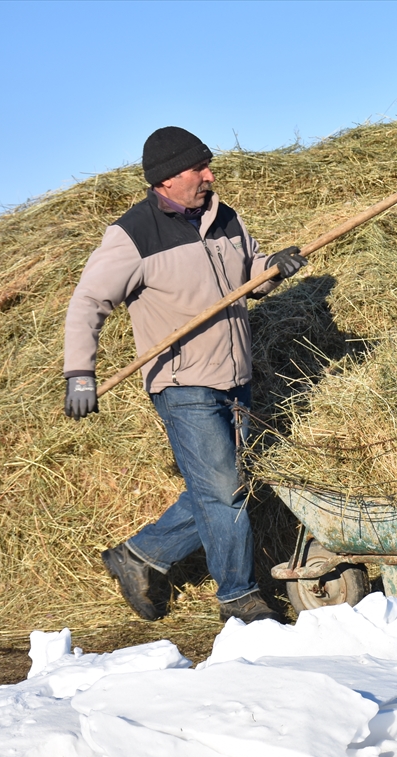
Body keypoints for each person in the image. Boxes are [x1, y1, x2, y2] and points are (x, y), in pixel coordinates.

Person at [63, 126, 308, 624]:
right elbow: (88, 302)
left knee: (226, 487)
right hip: (183, 383)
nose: (209, 175)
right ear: (168, 179)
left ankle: (140, 555)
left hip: (236, 377)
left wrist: (273, 267)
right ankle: (238, 597)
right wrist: (80, 373)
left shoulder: (224, 216)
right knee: (224, 492)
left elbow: (248, 273)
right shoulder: (133, 234)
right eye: (199, 168)